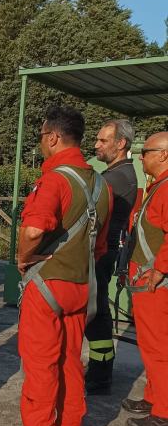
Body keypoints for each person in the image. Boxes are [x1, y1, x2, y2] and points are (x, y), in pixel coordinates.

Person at [2, 106, 111, 426]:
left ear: (52, 137)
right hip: (82, 285)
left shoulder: (53, 180)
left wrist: (22, 257)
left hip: (47, 285)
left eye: (42, 137)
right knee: (70, 363)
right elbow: (99, 246)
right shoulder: (101, 185)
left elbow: (33, 231)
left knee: (41, 363)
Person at [85, 119, 138, 394]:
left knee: (95, 313)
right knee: (97, 311)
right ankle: (99, 369)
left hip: (101, 253)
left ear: (121, 144)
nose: (96, 145)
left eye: (103, 140)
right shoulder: (118, 173)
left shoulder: (115, 178)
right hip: (104, 252)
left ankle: (100, 373)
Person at [120, 132, 168, 426]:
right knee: (150, 345)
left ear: (163, 154)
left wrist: (159, 271)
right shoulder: (158, 187)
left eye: (146, 151)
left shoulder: (166, 191)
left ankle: (163, 411)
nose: (141, 156)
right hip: (148, 283)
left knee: (159, 347)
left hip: (156, 286)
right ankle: (154, 397)